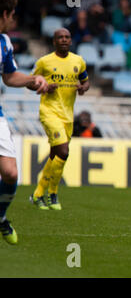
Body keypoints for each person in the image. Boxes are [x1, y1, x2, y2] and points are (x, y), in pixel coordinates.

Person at [0, 0, 51, 245]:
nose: (14, 20)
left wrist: (33, 79)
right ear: (4, 13)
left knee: (10, 173)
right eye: (12, 15)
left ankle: (0, 217)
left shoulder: (5, 42)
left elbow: (9, 77)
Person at [30, 28, 90, 211]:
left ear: (71, 41)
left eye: (67, 37)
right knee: (63, 152)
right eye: (60, 37)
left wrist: (83, 88)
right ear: (54, 41)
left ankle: (48, 194)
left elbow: (86, 81)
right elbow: (31, 82)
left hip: (67, 115)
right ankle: (44, 193)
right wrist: (44, 86)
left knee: (56, 155)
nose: (64, 40)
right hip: (49, 112)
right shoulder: (44, 62)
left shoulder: (78, 61)